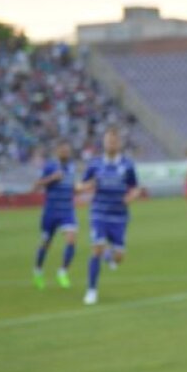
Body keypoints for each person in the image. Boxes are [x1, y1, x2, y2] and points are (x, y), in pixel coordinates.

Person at [79, 128, 141, 306]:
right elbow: (83, 185)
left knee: (119, 257)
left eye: (114, 141)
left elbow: (135, 187)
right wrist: (87, 185)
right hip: (99, 213)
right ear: (104, 143)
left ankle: (110, 256)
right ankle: (91, 290)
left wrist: (131, 196)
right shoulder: (95, 164)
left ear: (119, 143)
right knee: (96, 249)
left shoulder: (128, 165)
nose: (111, 144)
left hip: (119, 216)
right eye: (108, 141)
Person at [31, 141, 78, 289]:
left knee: (71, 239)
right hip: (51, 212)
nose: (65, 153)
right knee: (46, 244)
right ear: (57, 151)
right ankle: (38, 270)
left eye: (67, 150)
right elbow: (36, 185)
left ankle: (63, 271)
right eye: (63, 150)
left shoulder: (72, 167)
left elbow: (72, 187)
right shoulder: (50, 166)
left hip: (67, 210)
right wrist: (52, 178)